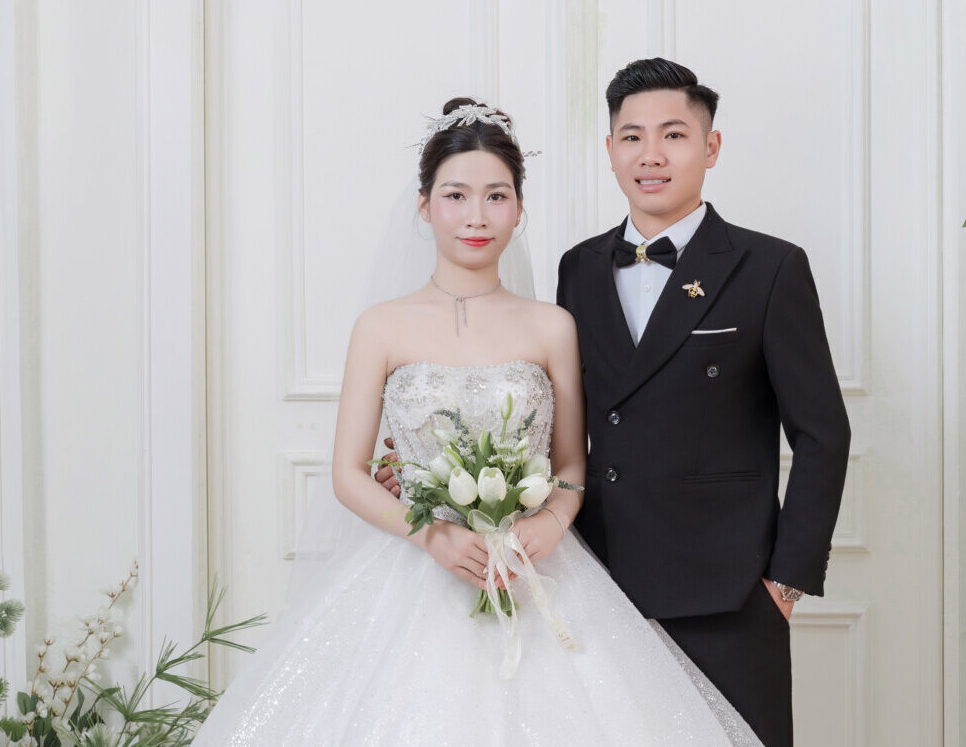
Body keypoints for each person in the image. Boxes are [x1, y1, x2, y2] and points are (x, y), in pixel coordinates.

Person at [193, 97, 761, 746]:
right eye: (455, 196)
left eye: (496, 197)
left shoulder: (551, 326)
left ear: (518, 208)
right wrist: (432, 537)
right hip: (412, 567)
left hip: (534, 565)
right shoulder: (380, 326)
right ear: (424, 204)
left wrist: (549, 522)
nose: (476, 216)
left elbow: (571, 464)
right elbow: (348, 474)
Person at [376, 61, 852, 747]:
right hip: (597, 583)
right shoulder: (580, 268)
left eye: (673, 135)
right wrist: (425, 465)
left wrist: (785, 584)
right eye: (631, 137)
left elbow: (823, 435)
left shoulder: (769, 268)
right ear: (609, 150)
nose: (650, 155)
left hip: (727, 592)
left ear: (711, 147)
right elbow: (546, 418)